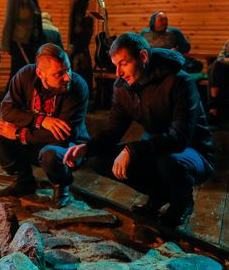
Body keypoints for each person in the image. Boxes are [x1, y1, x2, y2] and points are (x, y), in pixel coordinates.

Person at [63, 33, 215, 227]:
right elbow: (113, 131)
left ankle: (182, 203)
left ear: (143, 57)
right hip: (157, 148)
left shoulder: (179, 81)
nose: (118, 72)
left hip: (194, 153)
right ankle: (159, 194)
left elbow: (180, 138)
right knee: (98, 159)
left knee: (167, 161)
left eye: (124, 63)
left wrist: (133, 150)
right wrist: (87, 147)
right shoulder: (123, 87)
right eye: (115, 65)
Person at [0, 44, 89, 208]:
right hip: (36, 138)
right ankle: (24, 181)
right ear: (40, 74)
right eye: (59, 74)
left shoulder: (77, 86)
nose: (67, 77)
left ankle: (62, 187)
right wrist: (41, 120)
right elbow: (6, 110)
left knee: (50, 154)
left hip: (67, 147)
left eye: (68, 69)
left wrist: (20, 134)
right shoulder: (26, 75)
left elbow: (64, 135)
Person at [1, 0, 43, 79]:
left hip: (32, 44)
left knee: (27, 75)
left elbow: (38, 24)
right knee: (17, 75)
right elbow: (9, 21)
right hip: (20, 43)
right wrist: (6, 46)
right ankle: (9, 96)